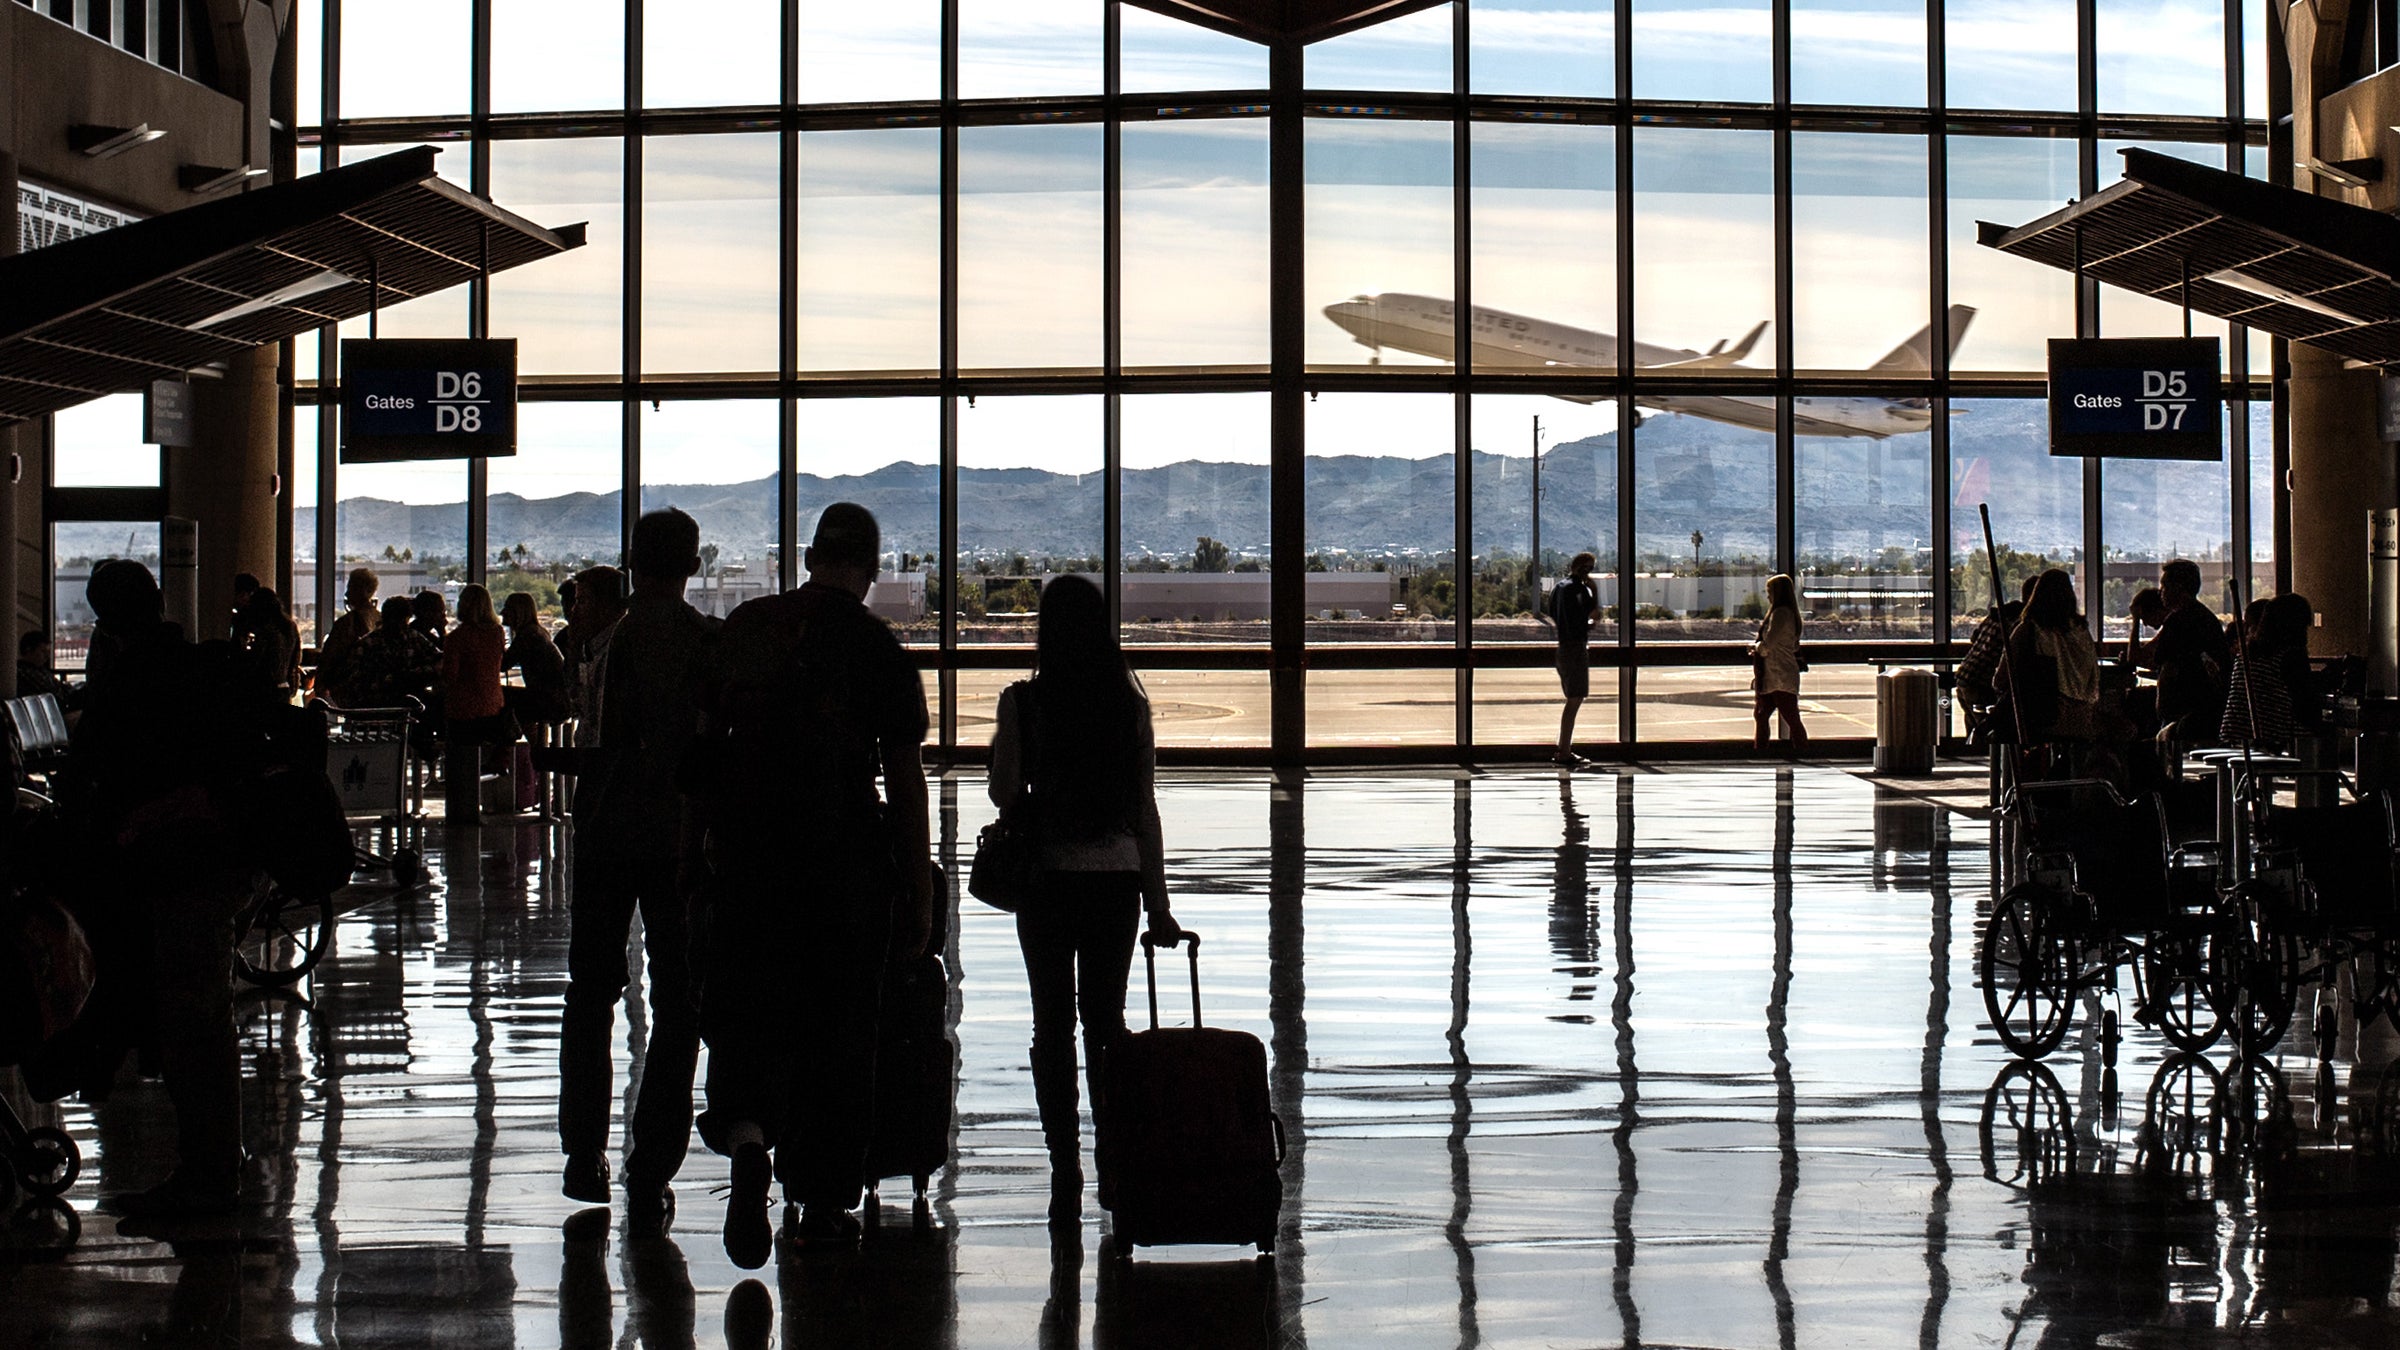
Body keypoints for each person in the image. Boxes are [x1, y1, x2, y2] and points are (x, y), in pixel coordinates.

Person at [692, 502, 935, 1265]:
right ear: (868, 566)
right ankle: (824, 1199)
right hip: (842, 866)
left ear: (807, 557)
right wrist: (920, 893)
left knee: (749, 1012)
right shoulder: (875, 648)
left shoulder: (747, 628)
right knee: (838, 1030)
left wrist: (693, 858)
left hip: (746, 860)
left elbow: (698, 761)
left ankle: (748, 1135)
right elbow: (904, 780)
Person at [987, 574, 1180, 1239]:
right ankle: (1112, 1157)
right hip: (1115, 881)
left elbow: (1004, 793)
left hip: (1046, 878)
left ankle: (1062, 1163)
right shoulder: (1128, 707)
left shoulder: (1025, 702)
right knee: (1106, 1023)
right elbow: (1144, 809)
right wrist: (1158, 904)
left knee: (1052, 1025)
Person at [64, 562, 258, 1216]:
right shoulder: (199, 666)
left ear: (108, 620)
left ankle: (207, 1177)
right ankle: (219, 1162)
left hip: (176, 865)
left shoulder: (129, 681)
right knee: (209, 1020)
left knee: (188, 1025)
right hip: (226, 857)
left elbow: (91, 769)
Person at [558, 510, 717, 1239]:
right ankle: (651, 1163)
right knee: (679, 999)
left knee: (592, 990)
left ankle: (583, 1147)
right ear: (692, 563)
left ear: (631, 561)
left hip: (602, 832)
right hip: (672, 837)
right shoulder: (696, 643)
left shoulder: (599, 641)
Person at [1997, 569, 2099, 746]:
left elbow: (2001, 678)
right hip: (2082, 717)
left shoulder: (2029, 630)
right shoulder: (2082, 631)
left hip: (2044, 717)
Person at [439, 585, 510, 824]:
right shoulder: (497, 633)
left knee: (460, 759)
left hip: (463, 708)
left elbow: (450, 676)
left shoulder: (457, 638)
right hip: (492, 704)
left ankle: (461, 809)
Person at [2144, 558, 2228, 742]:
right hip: (2207, 707)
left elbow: (2168, 667)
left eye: (2165, 585)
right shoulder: (2208, 618)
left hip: (2181, 707)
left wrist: (2162, 706)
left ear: (2179, 587)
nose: (2161, 592)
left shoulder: (2176, 621)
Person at [2221, 592, 2319, 746]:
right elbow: (2304, 707)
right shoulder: (2290, 656)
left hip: (2234, 735)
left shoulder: (2246, 654)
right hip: (2273, 740)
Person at [1956, 573, 2038, 731]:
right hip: (1983, 682)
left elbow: (1975, 638)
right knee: (1991, 731)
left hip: (1966, 675)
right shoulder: (2020, 624)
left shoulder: (1999, 613)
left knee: (1975, 729)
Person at [563, 566, 627, 747]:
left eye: (582, 601)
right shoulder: (594, 650)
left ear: (607, 606)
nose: (573, 611)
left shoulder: (612, 654)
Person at [1550, 552, 1599, 767]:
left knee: (1573, 698)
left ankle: (1564, 747)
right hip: (1575, 647)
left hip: (1563, 647)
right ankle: (1564, 750)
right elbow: (1590, 615)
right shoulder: (1578, 589)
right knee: (1575, 698)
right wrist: (1594, 592)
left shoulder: (1558, 588)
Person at [1748, 573, 1807, 752]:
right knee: (1766, 714)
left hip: (1778, 674)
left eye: (1769, 591)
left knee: (1783, 716)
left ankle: (1765, 751)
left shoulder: (1780, 614)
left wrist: (1755, 646)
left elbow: (1768, 646)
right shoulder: (1790, 615)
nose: (1768, 596)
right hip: (1779, 674)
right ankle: (1797, 750)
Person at [350, 595, 439, 709]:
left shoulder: (368, 643)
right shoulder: (411, 637)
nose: (400, 625)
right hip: (381, 701)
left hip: (378, 702)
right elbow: (437, 658)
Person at [501, 590, 570, 730]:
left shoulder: (527, 636)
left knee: (502, 696)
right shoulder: (538, 631)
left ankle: (528, 744)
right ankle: (536, 743)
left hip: (548, 702)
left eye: (507, 608)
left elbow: (502, 665)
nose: (502, 612)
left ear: (517, 612)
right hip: (559, 701)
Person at [316, 567, 382, 705]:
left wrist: (321, 683)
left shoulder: (346, 623)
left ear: (362, 590)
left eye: (351, 587)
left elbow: (330, 655)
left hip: (352, 690)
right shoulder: (380, 619)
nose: (347, 593)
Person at [235, 587, 301, 693]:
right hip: (284, 686)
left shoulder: (264, 630)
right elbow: (295, 659)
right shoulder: (289, 627)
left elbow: (256, 660)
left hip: (265, 688)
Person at [17, 630, 68, 704]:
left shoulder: (39, 670)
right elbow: (54, 693)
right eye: (43, 651)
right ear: (28, 650)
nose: (47, 656)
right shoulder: (25, 673)